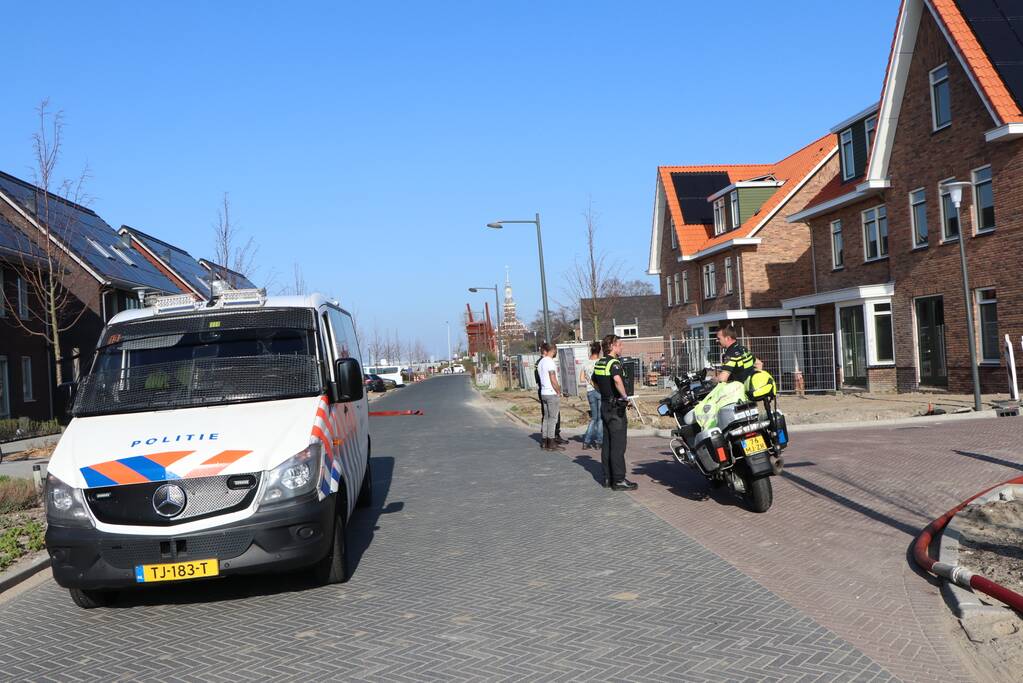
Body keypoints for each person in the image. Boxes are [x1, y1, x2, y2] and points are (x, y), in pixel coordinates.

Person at [592, 334, 637, 491]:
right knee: (618, 445)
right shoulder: (614, 363)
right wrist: (625, 397)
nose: (621, 347)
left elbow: (594, 381)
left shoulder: (600, 363)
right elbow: (617, 380)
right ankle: (618, 480)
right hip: (616, 409)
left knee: (607, 443)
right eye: (619, 344)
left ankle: (607, 478)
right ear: (611, 346)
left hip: (604, 406)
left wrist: (605, 394)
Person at [535, 347, 568, 447]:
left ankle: (544, 440)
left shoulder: (541, 362)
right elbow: (553, 378)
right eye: (555, 351)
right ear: (553, 351)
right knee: (553, 418)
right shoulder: (550, 362)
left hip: (543, 392)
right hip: (551, 392)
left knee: (546, 417)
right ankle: (551, 441)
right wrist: (558, 391)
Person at [580, 341, 603, 450]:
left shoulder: (585, 362)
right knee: (600, 418)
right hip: (599, 391)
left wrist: (588, 379)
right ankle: (599, 442)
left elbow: (581, 378)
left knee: (594, 418)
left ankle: (586, 441)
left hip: (589, 392)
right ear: (600, 351)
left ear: (591, 350)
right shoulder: (601, 362)